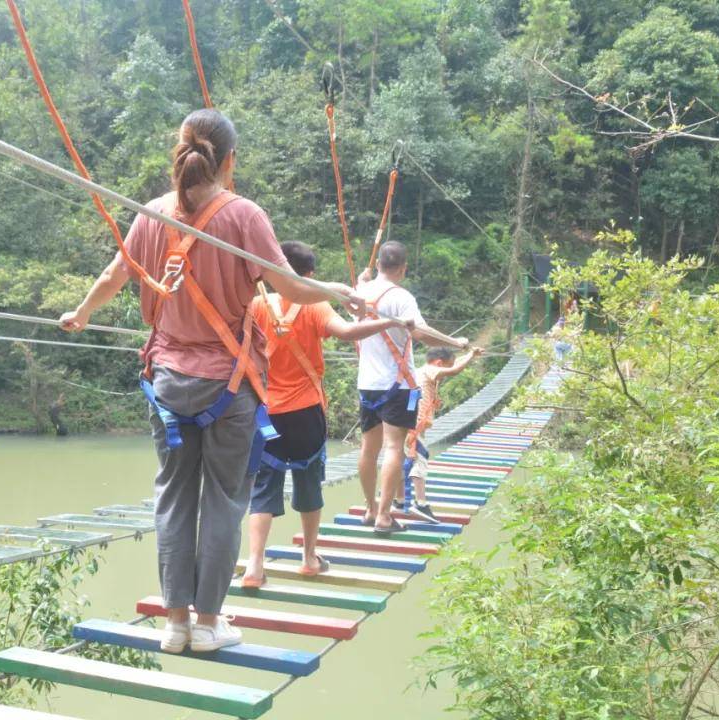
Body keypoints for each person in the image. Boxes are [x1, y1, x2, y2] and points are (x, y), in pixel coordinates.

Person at [60, 109, 363, 654]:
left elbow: (114, 274)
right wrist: (339, 289)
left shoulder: (149, 214)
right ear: (229, 161)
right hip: (229, 386)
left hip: (168, 384)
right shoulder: (243, 215)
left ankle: (174, 624)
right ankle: (207, 623)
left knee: (175, 498)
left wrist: (81, 313)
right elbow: (290, 288)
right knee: (224, 499)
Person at [241, 241, 408, 587]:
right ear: (311, 276)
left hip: (265, 413)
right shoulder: (314, 306)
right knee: (308, 481)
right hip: (305, 412)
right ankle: (308, 558)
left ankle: (255, 567)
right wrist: (388, 323)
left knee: (263, 488)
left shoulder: (256, 304)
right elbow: (347, 332)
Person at [354, 241, 469, 532]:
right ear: (403, 269)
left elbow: (358, 306)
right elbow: (421, 334)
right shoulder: (401, 297)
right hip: (399, 385)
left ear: (378, 264)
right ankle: (383, 516)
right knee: (394, 447)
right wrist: (455, 342)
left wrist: (360, 282)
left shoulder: (360, 293)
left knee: (369, 449)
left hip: (367, 385)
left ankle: (369, 509)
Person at [395, 346, 484, 518]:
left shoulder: (421, 371)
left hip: (408, 422)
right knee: (420, 460)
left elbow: (453, 364)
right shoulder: (430, 370)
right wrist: (471, 355)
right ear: (438, 363)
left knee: (402, 461)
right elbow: (454, 370)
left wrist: (469, 356)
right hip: (415, 425)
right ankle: (420, 504)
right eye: (446, 366)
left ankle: (399, 500)